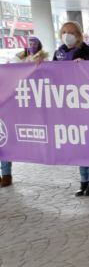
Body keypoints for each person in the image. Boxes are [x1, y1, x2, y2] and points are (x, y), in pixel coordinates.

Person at [53, 21, 89, 197]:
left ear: (79, 34)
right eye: (64, 32)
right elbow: (53, 77)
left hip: (88, 104)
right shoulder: (58, 54)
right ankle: (83, 180)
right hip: (69, 104)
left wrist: (85, 67)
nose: (67, 35)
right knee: (79, 143)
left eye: (71, 32)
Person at [2, 36, 50, 187]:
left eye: (34, 42)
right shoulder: (19, 57)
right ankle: (5, 174)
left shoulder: (42, 57)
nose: (31, 45)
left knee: (6, 138)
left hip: (28, 99)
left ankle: (6, 173)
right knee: (4, 139)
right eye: (29, 42)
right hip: (13, 99)